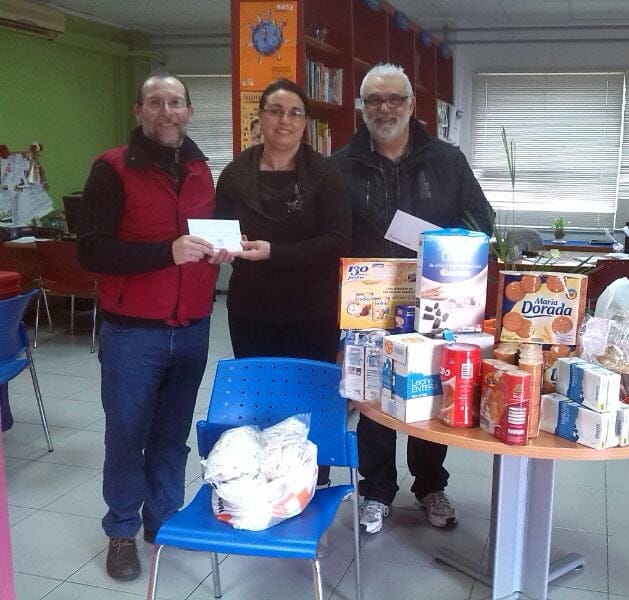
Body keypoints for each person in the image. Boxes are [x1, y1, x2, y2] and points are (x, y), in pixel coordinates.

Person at [77, 72, 232, 582]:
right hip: (132, 332)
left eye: (175, 103)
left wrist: (230, 248)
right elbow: (92, 250)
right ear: (139, 112)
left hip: (191, 327)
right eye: (155, 102)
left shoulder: (201, 169)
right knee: (127, 435)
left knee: (171, 436)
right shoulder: (112, 168)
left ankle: (162, 520)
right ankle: (121, 529)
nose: (166, 111)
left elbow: (208, 236)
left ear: (189, 112)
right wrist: (166, 253)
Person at [331, 63, 493, 534]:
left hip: (434, 302)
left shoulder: (448, 160)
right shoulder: (340, 165)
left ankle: (429, 485)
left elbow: (483, 222)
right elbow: (329, 236)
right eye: (374, 100)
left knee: (428, 395)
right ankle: (377, 491)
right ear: (362, 108)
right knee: (375, 400)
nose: (385, 108)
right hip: (368, 307)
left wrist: (442, 245)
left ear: (411, 106)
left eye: (394, 99)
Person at [214, 78, 352, 486]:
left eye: (294, 112)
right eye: (275, 110)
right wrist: (221, 246)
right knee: (259, 404)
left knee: (311, 404)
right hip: (252, 310)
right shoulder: (235, 173)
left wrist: (275, 252)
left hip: (313, 312)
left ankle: (314, 485)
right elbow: (221, 230)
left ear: (305, 123)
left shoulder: (325, 175)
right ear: (260, 117)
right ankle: (263, 488)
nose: (284, 120)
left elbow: (338, 241)